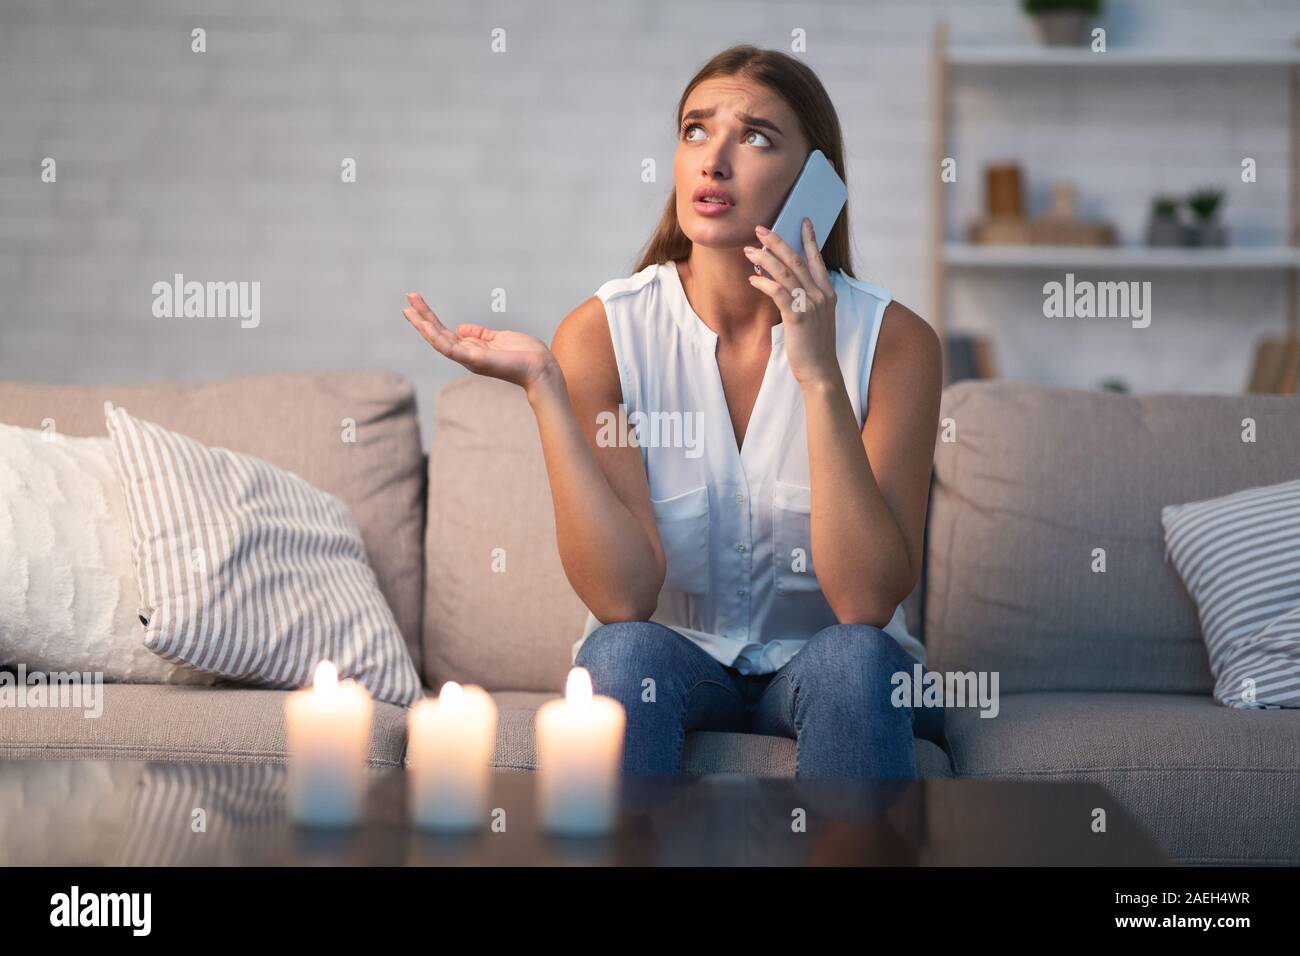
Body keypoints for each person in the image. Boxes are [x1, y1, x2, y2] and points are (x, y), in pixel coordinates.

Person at [403, 44, 944, 779]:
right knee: (620, 653)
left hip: (837, 666)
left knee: (855, 661)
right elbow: (623, 596)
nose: (712, 160)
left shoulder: (896, 343)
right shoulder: (604, 335)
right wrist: (545, 392)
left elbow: (866, 600)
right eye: (695, 130)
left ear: (817, 179)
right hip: (675, 662)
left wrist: (817, 375)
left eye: (754, 136)